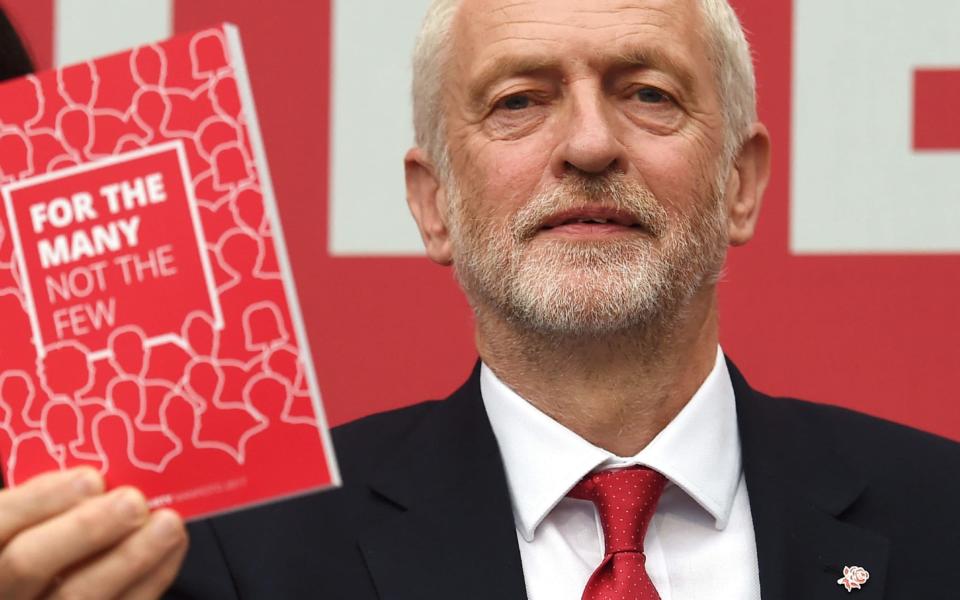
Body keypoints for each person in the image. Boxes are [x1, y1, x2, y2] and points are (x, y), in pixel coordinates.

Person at [1, 0, 958, 598]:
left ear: (741, 183)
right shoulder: (226, 559)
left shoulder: (942, 516)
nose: (589, 145)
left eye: (649, 93)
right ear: (434, 206)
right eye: (518, 101)